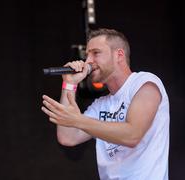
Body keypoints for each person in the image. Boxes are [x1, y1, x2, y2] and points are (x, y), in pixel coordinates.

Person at [41, 28, 170, 180]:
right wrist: (69, 84)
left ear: (119, 55)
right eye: (87, 55)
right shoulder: (101, 105)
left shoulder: (145, 83)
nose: (88, 61)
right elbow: (67, 137)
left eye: (95, 53)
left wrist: (78, 120)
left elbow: (132, 135)